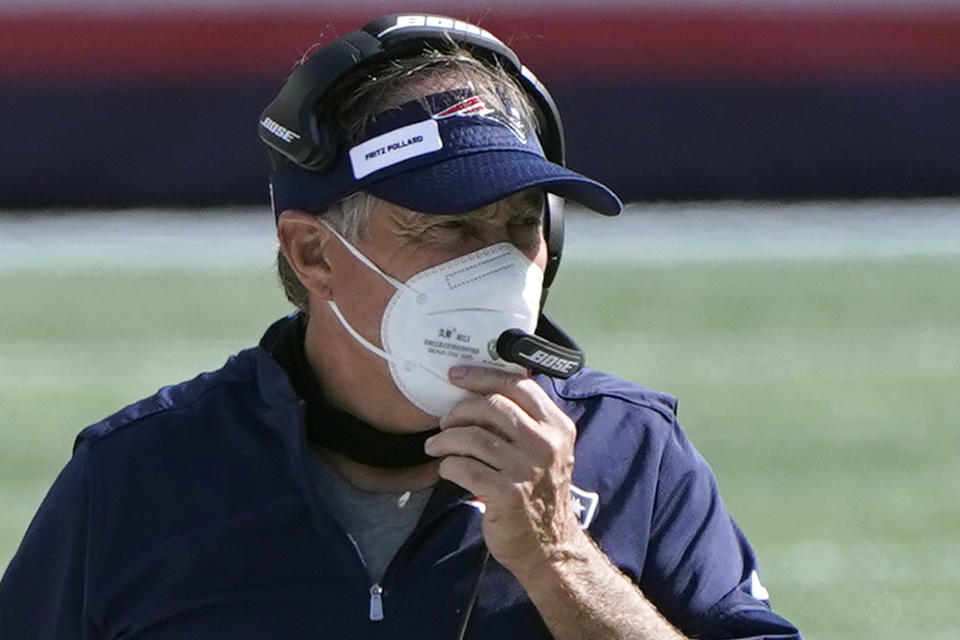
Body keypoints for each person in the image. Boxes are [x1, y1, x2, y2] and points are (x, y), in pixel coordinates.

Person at [0, 13, 802, 640]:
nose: (497, 264)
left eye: (521, 224)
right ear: (313, 251)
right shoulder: (139, 478)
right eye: (450, 225)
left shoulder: (635, 454)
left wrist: (561, 562)